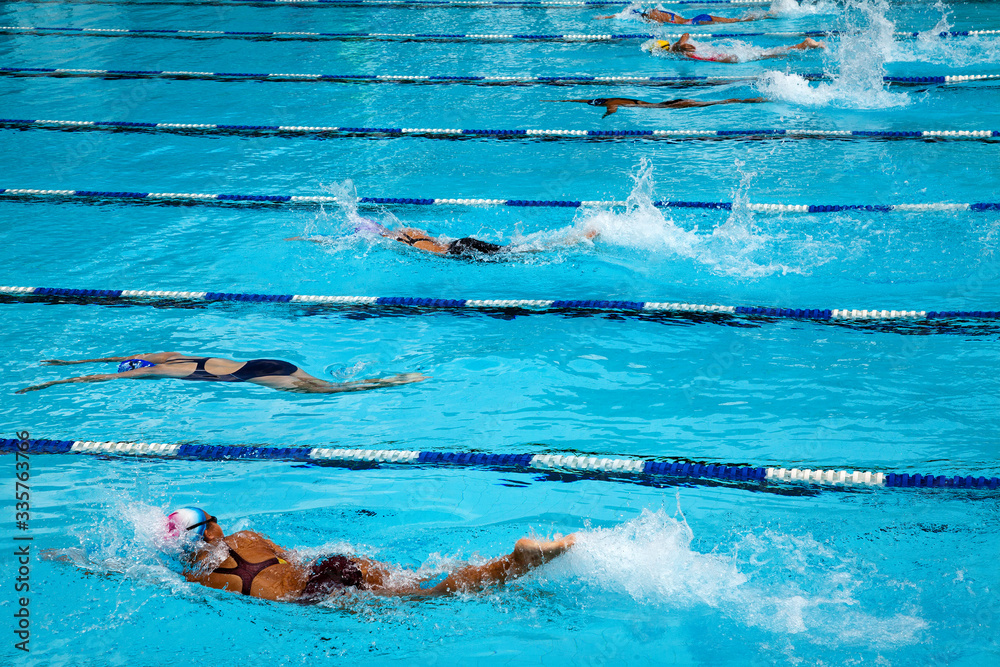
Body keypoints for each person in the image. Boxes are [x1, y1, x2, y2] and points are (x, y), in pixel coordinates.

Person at [166, 507, 576, 601]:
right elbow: (298, 561)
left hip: (313, 594)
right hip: (334, 566)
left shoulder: (196, 579)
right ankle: (511, 561)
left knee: (427, 598)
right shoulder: (249, 535)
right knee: (421, 582)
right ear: (212, 526)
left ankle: (514, 564)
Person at [16, 352, 426, 394]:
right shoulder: (172, 356)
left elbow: (103, 377)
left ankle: (394, 381)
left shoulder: (154, 372)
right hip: (268, 362)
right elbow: (114, 358)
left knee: (334, 391)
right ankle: (390, 375)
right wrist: (67, 362)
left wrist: (50, 382)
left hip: (256, 378)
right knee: (324, 383)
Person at [289, 220, 598, 259]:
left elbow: (331, 243)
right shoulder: (406, 231)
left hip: (457, 252)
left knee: (521, 254)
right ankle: (575, 237)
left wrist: (306, 239)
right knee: (517, 249)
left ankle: (575, 240)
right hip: (459, 243)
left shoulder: (397, 241)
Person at [653, 33, 824, 63]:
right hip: (723, 53)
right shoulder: (679, 46)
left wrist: (680, 45)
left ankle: (803, 46)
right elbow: (685, 34)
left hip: (724, 57)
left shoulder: (675, 49)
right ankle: (801, 46)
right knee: (765, 53)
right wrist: (682, 44)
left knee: (765, 55)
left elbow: (679, 43)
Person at [551, 96, 767, 117]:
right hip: (663, 103)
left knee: (715, 103)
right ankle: (750, 100)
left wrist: (606, 117)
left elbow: (612, 109)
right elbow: (584, 100)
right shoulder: (612, 97)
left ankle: (750, 100)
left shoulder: (611, 103)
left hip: (664, 108)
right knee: (708, 103)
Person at [597, 7, 772, 25]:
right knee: (736, 20)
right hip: (698, 17)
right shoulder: (657, 11)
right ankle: (763, 15)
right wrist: (606, 17)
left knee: (736, 22)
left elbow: (623, 14)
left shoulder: (654, 16)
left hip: (698, 22)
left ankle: (764, 16)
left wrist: (606, 18)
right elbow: (625, 13)